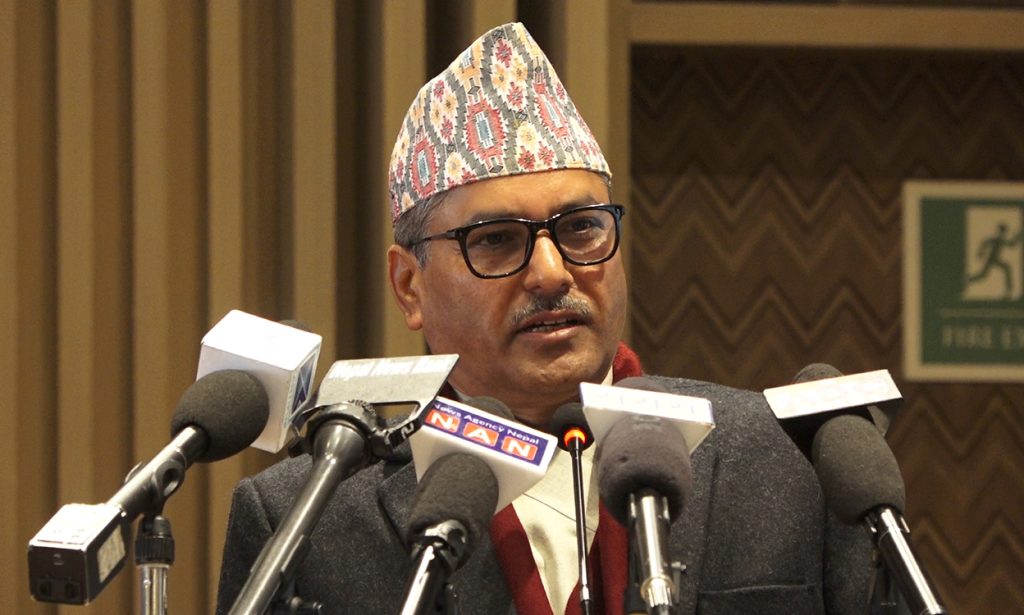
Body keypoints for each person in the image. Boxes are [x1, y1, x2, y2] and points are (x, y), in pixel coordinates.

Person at [216, 22, 872, 614]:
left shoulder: (789, 463)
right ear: (409, 286)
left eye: (581, 228)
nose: (553, 272)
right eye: (498, 240)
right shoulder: (306, 518)